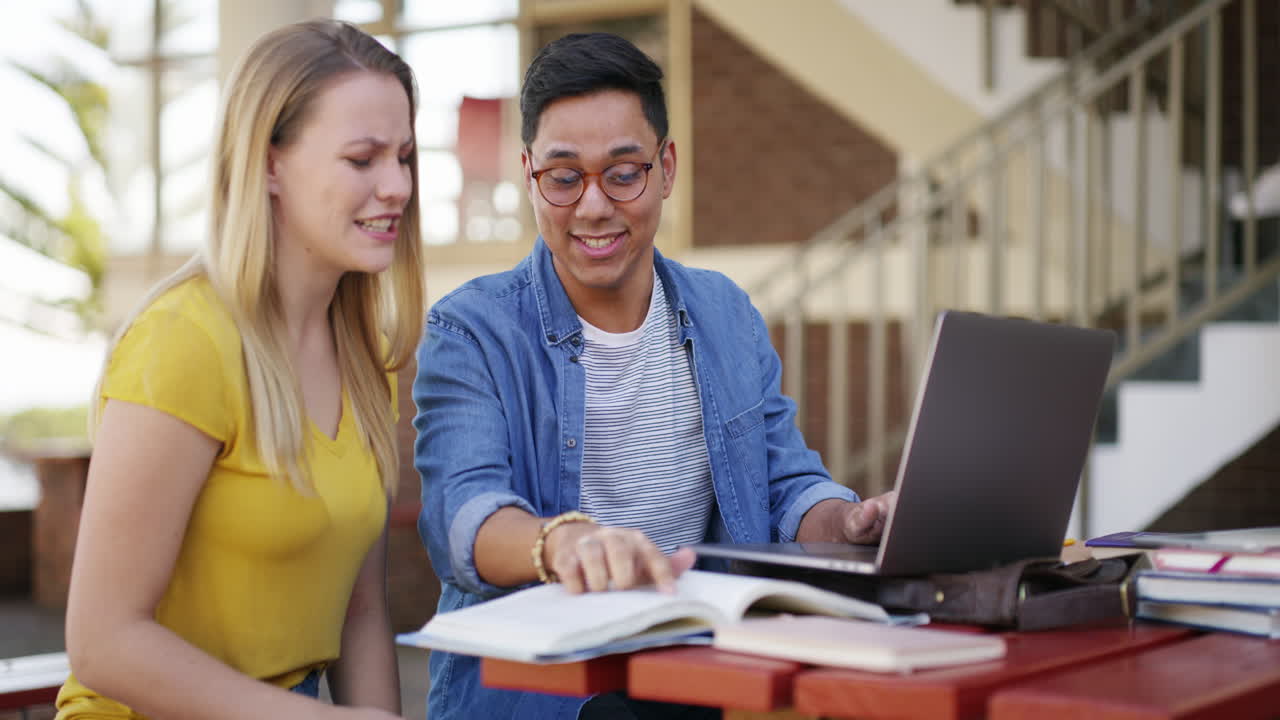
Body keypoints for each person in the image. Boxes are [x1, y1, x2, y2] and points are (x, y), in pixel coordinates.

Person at [412, 32, 895, 720]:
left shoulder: (725, 312)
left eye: (623, 171)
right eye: (564, 176)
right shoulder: (471, 329)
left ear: (666, 167)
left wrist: (851, 521)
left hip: (695, 672)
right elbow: (461, 515)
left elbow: (785, 487)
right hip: (543, 693)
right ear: (528, 175)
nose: (593, 206)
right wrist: (563, 543)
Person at [56, 19, 425, 720]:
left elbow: (360, 610)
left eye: (404, 157)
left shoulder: (365, 354)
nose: (397, 186)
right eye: (362, 159)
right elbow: (103, 642)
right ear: (268, 163)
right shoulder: (182, 343)